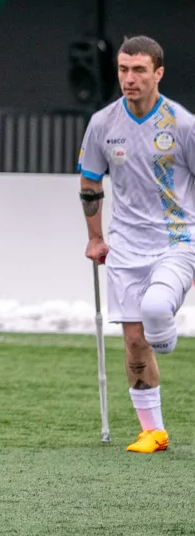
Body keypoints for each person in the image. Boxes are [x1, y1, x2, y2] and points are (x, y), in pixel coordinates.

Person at [77, 34, 195, 454]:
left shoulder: (182, 124)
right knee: (133, 343)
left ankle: (165, 325)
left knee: (156, 310)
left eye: (139, 70)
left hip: (176, 240)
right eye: (124, 70)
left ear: (158, 73)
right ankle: (154, 433)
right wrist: (95, 237)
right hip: (126, 246)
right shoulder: (103, 123)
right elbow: (90, 181)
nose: (130, 78)